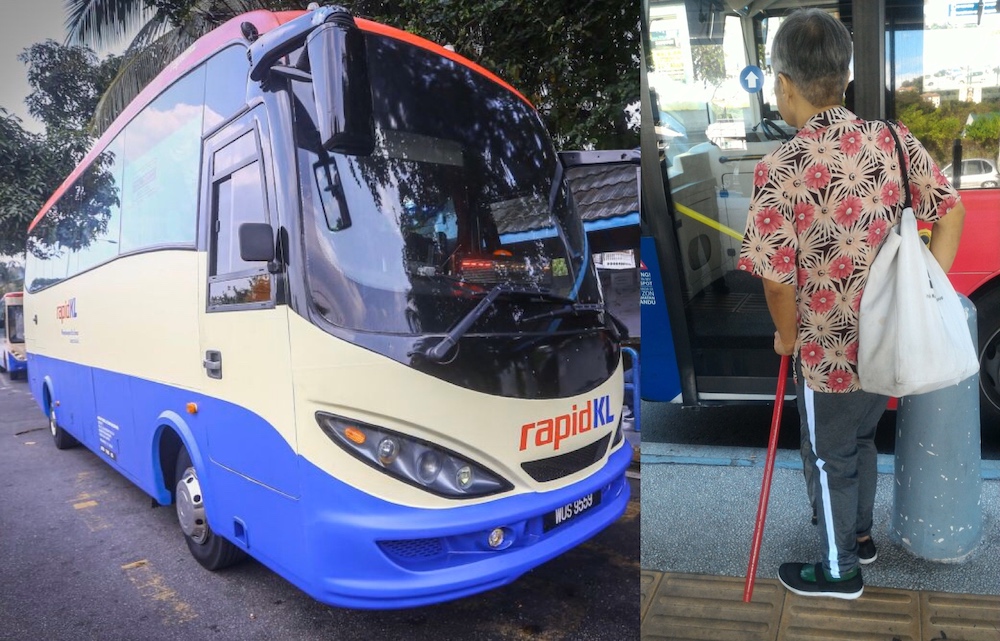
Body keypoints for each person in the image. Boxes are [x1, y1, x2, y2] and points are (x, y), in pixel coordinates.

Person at [737, 8, 966, 599]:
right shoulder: (892, 140)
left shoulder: (779, 168)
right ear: (843, 78)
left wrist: (787, 338)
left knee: (826, 456)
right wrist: (924, 290)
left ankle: (840, 571)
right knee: (861, 440)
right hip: (889, 339)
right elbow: (951, 210)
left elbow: (775, 281)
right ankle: (857, 535)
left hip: (827, 354)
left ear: (784, 84)